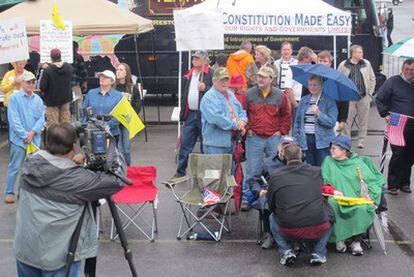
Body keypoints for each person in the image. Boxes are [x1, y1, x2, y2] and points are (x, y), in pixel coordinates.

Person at [14, 123, 125, 276]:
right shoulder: (78, 180)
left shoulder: (30, 163)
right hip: (57, 261)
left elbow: (55, 171)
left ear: (46, 143)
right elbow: (118, 179)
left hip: (25, 252)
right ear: (73, 147)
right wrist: (110, 145)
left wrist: (72, 162)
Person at [267, 144, 334, 265]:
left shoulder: (275, 176)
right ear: (303, 156)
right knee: (331, 215)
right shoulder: (316, 171)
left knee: (272, 217)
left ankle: (286, 251)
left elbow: (271, 205)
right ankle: (319, 252)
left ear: (284, 158)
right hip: (318, 226)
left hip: (288, 228)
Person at [321, 135, 384, 256]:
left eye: (334, 148)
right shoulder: (328, 161)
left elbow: (373, 181)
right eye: (331, 148)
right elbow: (323, 182)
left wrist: (369, 194)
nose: (331, 150)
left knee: (363, 208)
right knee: (332, 204)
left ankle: (356, 241)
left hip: (356, 198)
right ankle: (339, 239)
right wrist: (333, 191)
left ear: (344, 150)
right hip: (337, 197)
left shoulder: (357, 163)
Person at [243, 66, 291, 210]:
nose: (260, 79)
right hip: (254, 137)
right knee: (252, 169)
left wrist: (281, 131)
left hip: (273, 138)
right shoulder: (249, 94)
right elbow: (242, 113)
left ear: (271, 79)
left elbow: (287, 115)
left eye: (264, 77)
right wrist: (247, 129)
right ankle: (248, 198)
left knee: (275, 169)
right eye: (259, 76)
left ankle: (274, 196)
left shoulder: (280, 95)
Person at [3, 72, 45, 204]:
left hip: (34, 140)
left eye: (33, 82)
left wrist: (32, 132)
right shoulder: (14, 99)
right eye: (28, 82)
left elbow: (41, 118)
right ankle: (9, 192)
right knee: (15, 167)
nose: (31, 85)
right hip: (18, 140)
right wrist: (24, 134)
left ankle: (25, 192)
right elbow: (13, 120)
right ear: (22, 83)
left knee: (32, 168)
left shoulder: (38, 99)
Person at [249, 136, 296, 249]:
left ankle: (294, 236)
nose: (285, 150)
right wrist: (259, 191)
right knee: (265, 201)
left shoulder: (298, 162)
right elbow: (253, 181)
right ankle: (269, 234)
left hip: (293, 194)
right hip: (271, 193)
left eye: (289, 147)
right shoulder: (267, 163)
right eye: (283, 146)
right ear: (278, 147)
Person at [375, 59, 414, 195]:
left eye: (412, 70)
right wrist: (385, 113)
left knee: (410, 155)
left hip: (412, 125)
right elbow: (379, 98)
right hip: (397, 122)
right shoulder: (393, 81)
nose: (409, 72)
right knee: (398, 154)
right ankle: (393, 184)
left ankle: (405, 183)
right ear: (402, 69)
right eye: (407, 69)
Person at [175, 51, 213, 177]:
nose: (195, 59)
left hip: (205, 115)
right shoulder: (190, 73)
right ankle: (180, 172)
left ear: (205, 60)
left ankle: (205, 174)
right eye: (194, 57)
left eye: (198, 58)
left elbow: (219, 92)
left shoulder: (211, 73)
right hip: (191, 114)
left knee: (206, 145)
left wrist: (206, 88)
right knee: (185, 143)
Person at [200, 67, 247, 154]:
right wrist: (237, 125)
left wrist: (242, 121)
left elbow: (241, 111)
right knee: (215, 168)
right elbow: (217, 119)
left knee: (231, 167)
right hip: (215, 145)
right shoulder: (209, 98)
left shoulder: (231, 95)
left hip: (231, 142)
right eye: (221, 80)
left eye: (227, 80)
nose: (225, 83)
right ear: (214, 81)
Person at [293, 75, 338, 166]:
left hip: (323, 141)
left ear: (321, 85)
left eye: (315, 85)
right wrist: (296, 139)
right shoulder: (304, 100)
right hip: (305, 139)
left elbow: (331, 122)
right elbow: (297, 122)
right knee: (308, 167)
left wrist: (319, 114)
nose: (312, 87)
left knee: (322, 166)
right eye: (310, 85)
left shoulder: (329, 101)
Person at [337, 45, 376, 149]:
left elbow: (372, 78)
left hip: (363, 96)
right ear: (353, 53)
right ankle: (346, 140)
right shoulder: (343, 65)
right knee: (347, 120)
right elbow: (338, 79)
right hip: (349, 98)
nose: (361, 54)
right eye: (359, 52)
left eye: (361, 52)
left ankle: (361, 141)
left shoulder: (366, 64)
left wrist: (369, 94)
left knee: (363, 120)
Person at [114, 63, 142, 166]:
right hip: (115, 121)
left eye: (121, 70)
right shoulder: (113, 87)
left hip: (127, 121)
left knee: (126, 148)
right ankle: (121, 169)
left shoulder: (132, 87)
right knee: (119, 148)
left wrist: (131, 115)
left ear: (126, 73)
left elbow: (137, 103)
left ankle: (128, 167)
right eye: (117, 70)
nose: (118, 72)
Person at [82, 70, 122, 140]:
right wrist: (86, 125)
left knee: (110, 151)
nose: (102, 78)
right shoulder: (91, 93)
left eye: (106, 77)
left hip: (111, 133)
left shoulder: (118, 96)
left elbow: (119, 116)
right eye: (101, 76)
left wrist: (107, 125)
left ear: (112, 82)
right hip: (91, 131)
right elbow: (84, 111)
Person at [317, 51, 349, 134]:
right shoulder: (311, 77)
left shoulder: (336, 78)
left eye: (325, 61)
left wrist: (343, 120)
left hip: (333, 117)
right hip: (315, 117)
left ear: (330, 63)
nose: (322, 63)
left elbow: (344, 98)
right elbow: (304, 96)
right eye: (320, 61)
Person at [39, 48, 73, 126]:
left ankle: (54, 138)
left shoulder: (48, 70)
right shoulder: (69, 67)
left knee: (53, 126)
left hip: (51, 101)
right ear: (61, 56)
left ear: (51, 57)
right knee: (65, 124)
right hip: (66, 99)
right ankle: (65, 138)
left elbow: (42, 87)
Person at [71, 41, 88, 120]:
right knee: (78, 105)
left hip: (61, 87)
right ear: (76, 48)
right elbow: (83, 72)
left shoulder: (61, 58)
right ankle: (78, 122)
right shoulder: (77, 57)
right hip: (74, 86)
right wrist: (84, 82)